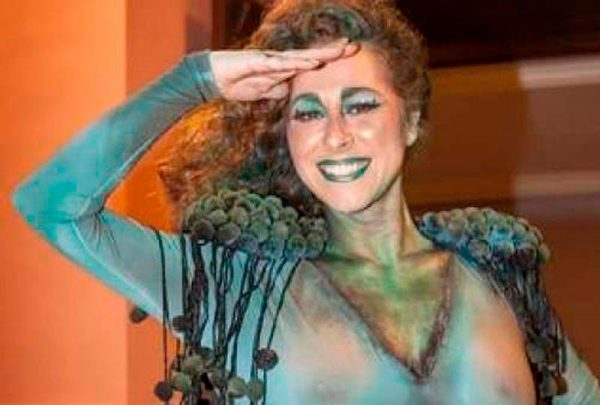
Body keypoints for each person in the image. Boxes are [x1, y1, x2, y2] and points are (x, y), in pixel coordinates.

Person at [11, 0, 600, 404]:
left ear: (411, 120)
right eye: (308, 113)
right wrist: (195, 81)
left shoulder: (500, 280)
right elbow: (52, 204)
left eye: (361, 104)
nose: (335, 134)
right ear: (286, 137)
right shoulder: (236, 288)